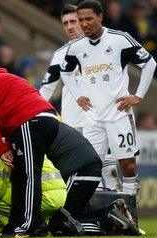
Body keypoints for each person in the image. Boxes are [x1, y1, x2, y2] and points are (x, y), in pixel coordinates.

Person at [0, 61, 103, 237]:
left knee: (28, 175)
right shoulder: (3, 77)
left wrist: (0, 149)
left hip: (29, 121)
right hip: (43, 119)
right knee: (20, 175)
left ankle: (30, 224)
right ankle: (16, 224)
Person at [60, 0, 156, 195]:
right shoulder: (77, 47)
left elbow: (150, 63)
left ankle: (130, 213)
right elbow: (65, 71)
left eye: (89, 18)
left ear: (100, 17)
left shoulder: (120, 39)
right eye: (81, 20)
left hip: (118, 114)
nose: (84, 24)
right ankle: (98, 214)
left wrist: (137, 96)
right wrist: (78, 95)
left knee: (128, 166)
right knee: (89, 167)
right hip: (93, 118)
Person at [40, 5, 121, 191]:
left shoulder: (105, 47)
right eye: (66, 23)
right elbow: (45, 90)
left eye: (73, 21)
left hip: (100, 119)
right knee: (85, 173)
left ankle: (119, 207)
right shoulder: (61, 55)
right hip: (73, 124)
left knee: (108, 170)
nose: (70, 27)